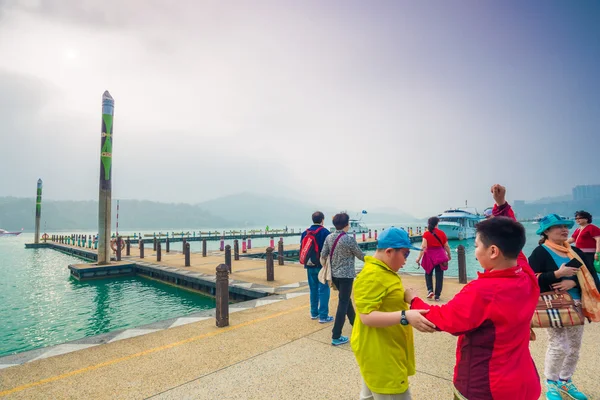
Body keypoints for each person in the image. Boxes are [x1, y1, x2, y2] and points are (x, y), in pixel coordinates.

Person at [406, 184, 541, 400]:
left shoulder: (484, 291)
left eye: (477, 246)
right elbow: (511, 238)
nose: (476, 251)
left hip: (487, 387)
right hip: (524, 381)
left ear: (493, 251)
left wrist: (413, 301)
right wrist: (501, 206)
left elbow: (444, 319)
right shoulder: (526, 275)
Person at [352, 227, 435, 400]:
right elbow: (366, 317)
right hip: (382, 353)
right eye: (405, 254)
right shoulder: (372, 275)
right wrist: (405, 316)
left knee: (370, 393)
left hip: (380, 349)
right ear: (389, 252)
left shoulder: (383, 271)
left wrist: (404, 296)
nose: (406, 260)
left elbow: (383, 297)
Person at [528, 213, 600, 400]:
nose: (564, 229)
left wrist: (573, 283)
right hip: (554, 305)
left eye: (565, 226)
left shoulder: (575, 252)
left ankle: (565, 381)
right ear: (546, 231)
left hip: (577, 305)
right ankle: (551, 384)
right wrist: (557, 274)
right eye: (558, 226)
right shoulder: (540, 253)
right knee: (559, 345)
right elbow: (530, 281)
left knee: (574, 347)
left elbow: (592, 275)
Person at [320, 212, 365, 346]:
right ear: (347, 224)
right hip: (346, 276)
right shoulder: (348, 239)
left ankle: (355, 322)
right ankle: (336, 335)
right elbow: (360, 255)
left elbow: (323, 254)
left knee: (345, 300)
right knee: (343, 302)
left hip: (334, 275)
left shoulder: (329, 237)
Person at [300, 211, 332, 323]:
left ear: (312, 219)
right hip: (321, 266)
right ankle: (323, 316)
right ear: (322, 219)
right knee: (323, 289)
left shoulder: (305, 233)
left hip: (309, 265)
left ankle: (314, 313)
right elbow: (329, 250)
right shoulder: (325, 232)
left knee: (313, 289)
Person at [415, 216, 451, 301]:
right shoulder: (442, 233)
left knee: (428, 273)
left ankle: (430, 290)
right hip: (440, 256)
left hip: (429, 256)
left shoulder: (426, 234)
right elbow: (446, 246)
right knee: (439, 275)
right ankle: (437, 295)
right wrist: (449, 255)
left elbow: (424, 246)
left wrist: (419, 258)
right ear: (437, 224)